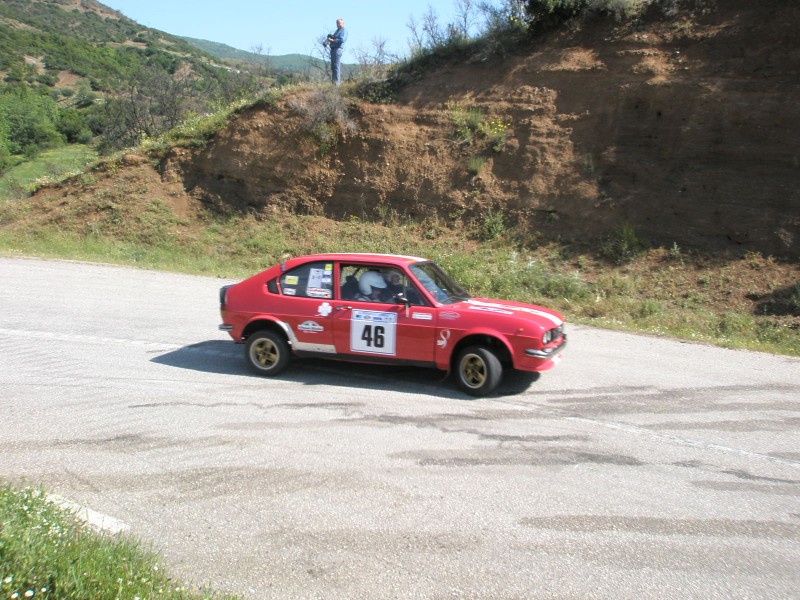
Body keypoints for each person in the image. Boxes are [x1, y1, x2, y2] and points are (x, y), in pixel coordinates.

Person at [325, 18, 347, 86]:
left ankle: (337, 84)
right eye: (337, 23)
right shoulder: (337, 31)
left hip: (338, 49)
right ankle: (334, 83)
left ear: (343, 23)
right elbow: (334, 37)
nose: (338, 25)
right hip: (333, 49)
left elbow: (341, 40)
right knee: (333, 67)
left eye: (339, 23)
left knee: (336, 67)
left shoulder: (344, 31)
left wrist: (332, 40)